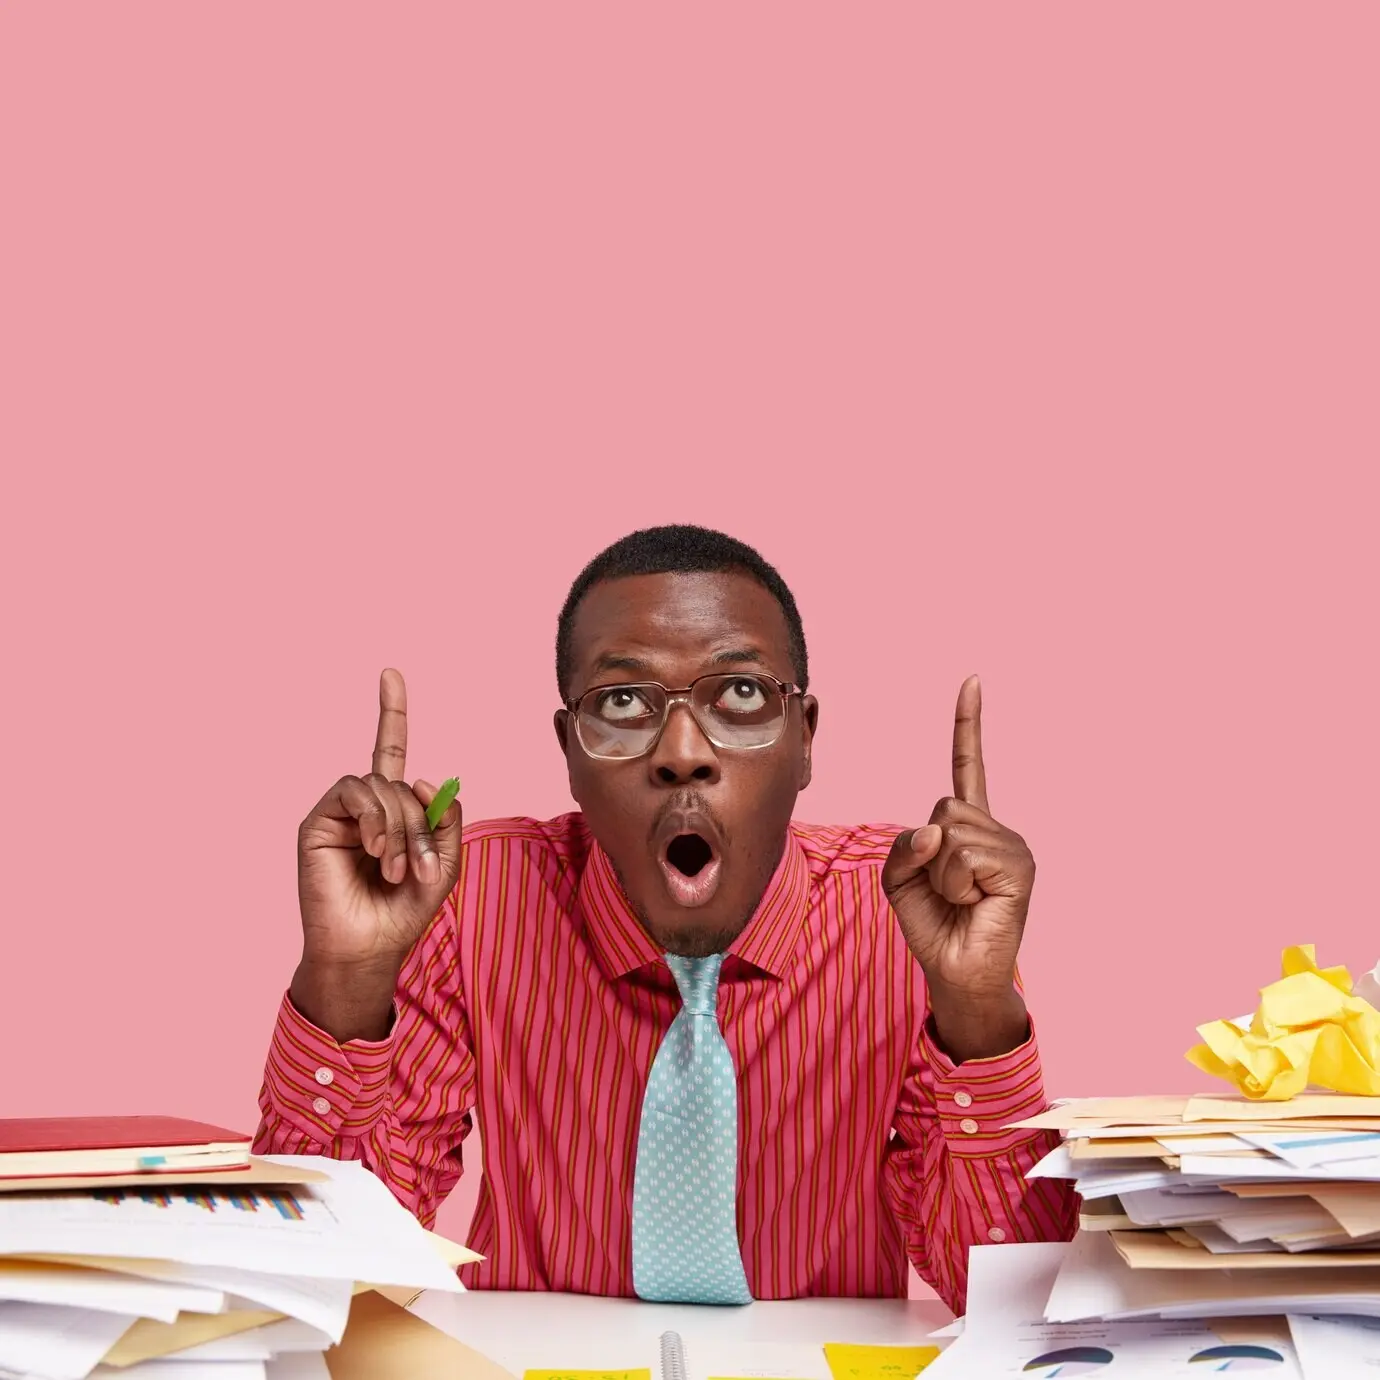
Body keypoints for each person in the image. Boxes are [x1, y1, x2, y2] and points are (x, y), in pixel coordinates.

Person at [253, 525, 1076, 1311]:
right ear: (570, 750)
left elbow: (1010, 1300)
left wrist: (977, 1013)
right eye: (622, 701)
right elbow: (333, 1280)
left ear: (805, 741)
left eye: (743, 692)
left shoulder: (915, 911)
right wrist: (347, 981)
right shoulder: (469, 895)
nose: (682, 749)